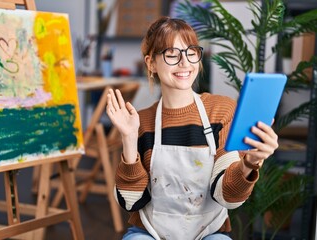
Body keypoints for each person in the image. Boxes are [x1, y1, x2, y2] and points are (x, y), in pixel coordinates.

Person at [106, 16, 279, 240]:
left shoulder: (222, 111)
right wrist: (129, 139)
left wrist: (250, 162)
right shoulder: (141, 122)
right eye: (171, 55)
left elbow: (227, 197)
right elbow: (131, 201)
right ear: (151, 63)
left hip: (208, 232)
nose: (184, 63)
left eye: (191, 52)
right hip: (149, 232)